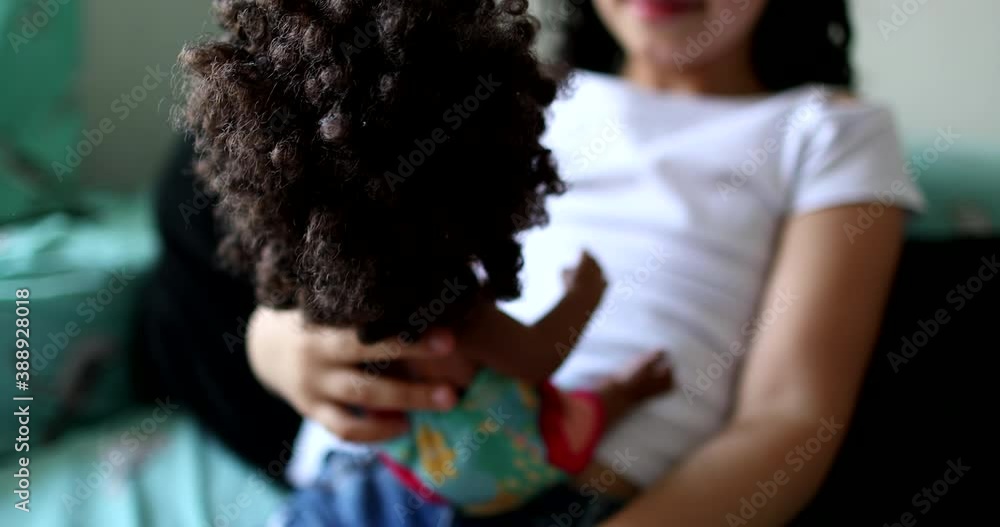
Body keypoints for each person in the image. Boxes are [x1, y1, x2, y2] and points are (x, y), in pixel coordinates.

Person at [163, 0, 925, 525]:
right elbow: (337, 256)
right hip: (355, 467)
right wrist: (276, 344)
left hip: (566, 485)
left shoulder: (825, 128)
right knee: (187, 185)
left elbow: (792, 417)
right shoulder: (510, 88)